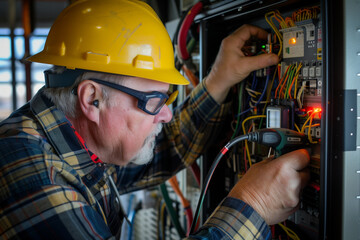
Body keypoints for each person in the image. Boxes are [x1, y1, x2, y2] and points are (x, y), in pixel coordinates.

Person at [0, 0, 310, 239]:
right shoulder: (35, 175)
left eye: (168, 99)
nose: (165, 113)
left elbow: (162, 152)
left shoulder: (73, 141)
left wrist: (218, 81)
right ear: (92, 99)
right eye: (153, 101)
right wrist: (253, 202)